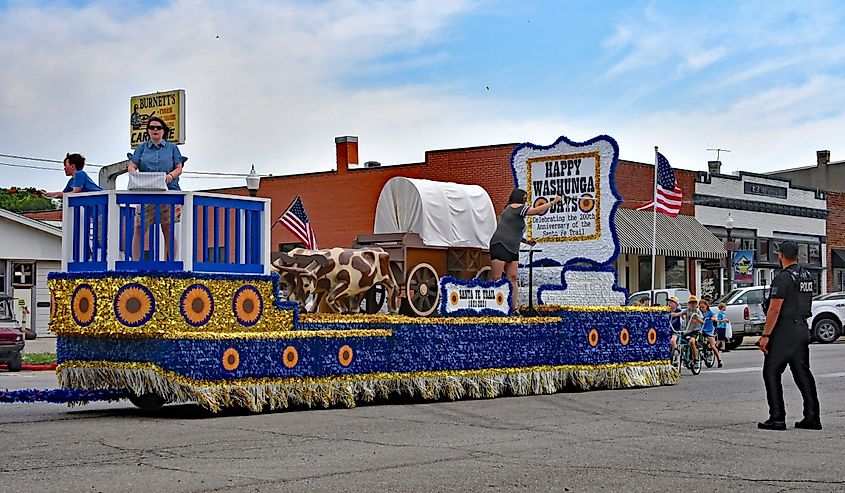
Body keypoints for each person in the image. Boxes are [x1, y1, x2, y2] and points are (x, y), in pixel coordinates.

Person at [757, 241, 821, 431]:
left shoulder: (783, 278)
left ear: (781, 255)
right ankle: (812, 417)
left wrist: (766, 335)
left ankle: (777, 417)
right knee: (803, 374)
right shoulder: (806, 275)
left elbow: (775, 308)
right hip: (802, 328)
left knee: (771, 372)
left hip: (784, 330)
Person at [489, 189, 562, 314]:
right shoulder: (514, 207)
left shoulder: (515, 211)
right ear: (519, 198)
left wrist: (526, 241)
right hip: (500, 245)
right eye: (524, 197)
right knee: (496, 277)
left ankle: (515, 308)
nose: (526, 200)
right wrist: (553, 202)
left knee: (513, 277)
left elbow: (512, 231)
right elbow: (536, 211)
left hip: (513, 248)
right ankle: (493, 306)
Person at [128, 116, 187, 261]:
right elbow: (132, 164)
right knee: (139, 226)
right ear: (148, 130)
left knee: (168, 227)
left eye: (158, 127)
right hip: (146, 192)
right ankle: (135, 264)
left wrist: (171, 176)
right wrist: (133, 172)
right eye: (152, 127)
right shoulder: (141, 148)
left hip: (169, 191)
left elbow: (179, 167)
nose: (155, 130)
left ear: (163, 131)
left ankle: (171, 264)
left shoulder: (172, 148)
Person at [699, 299, 723, 368]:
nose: (702, 309)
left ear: (706, 306)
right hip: (701, 329)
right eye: (700, 307)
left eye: (703, 307)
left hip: (709, 330)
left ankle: (719, 360)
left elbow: (714, 316)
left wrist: (714, 318)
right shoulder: (700, 313)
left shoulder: (710, 312)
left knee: (712, 345)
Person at [680, 295, 704, 362]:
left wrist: (697, 318)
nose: (693, 305)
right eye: (691, 303)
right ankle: (681, 356)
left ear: (696, 304)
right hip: (687, 331)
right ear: (689, 304)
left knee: (692, 341)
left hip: (695, 331)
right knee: (680, 341)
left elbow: (703, 322)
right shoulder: (687, 310)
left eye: (694, 303)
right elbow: (679, 313)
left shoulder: (698, 312)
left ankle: (695, 358)